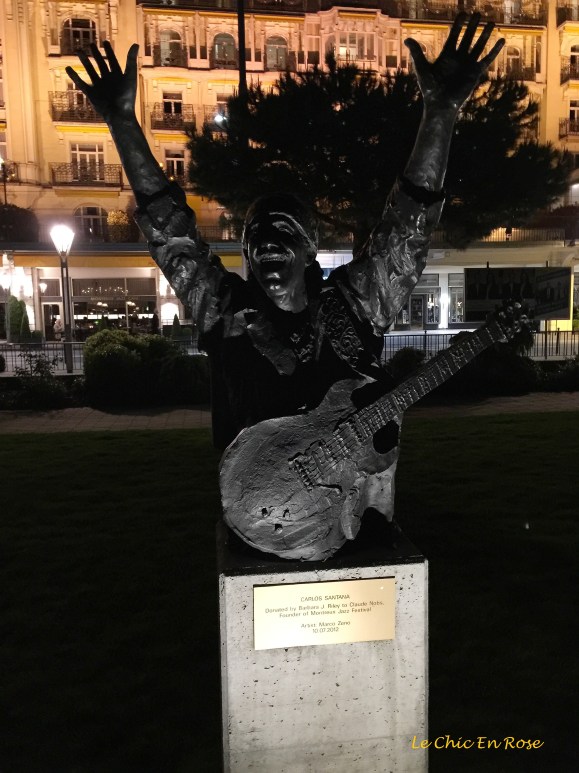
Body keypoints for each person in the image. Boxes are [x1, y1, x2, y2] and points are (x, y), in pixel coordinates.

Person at [66, 15, 504, 556]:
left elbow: (405, 231)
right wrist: (123, 124)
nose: (269, 242)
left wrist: (440, 114)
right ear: (246, 252)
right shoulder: (225, 311)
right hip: (263, 515)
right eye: (256, 235)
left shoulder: (356, 303)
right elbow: (171, 234)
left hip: (355, 518)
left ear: (309, 249)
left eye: (284, 231)